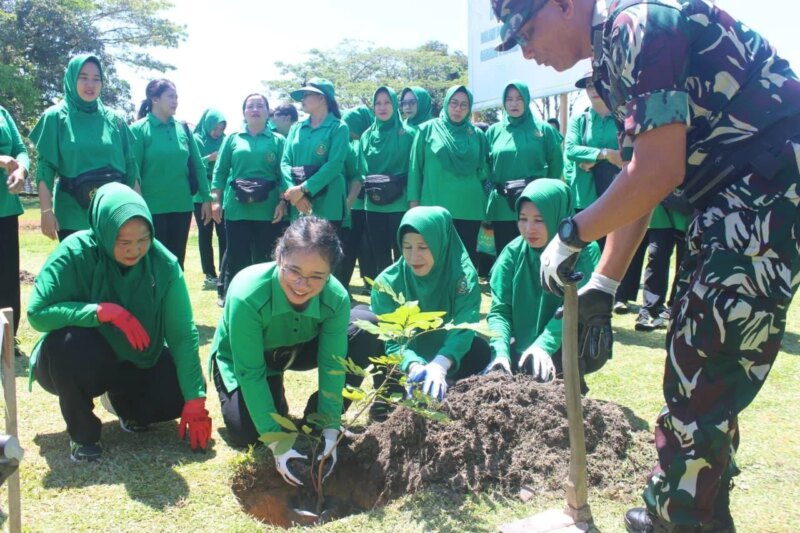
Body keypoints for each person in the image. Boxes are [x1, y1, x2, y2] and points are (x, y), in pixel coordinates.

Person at [492, 0, 800, 530]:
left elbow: (657, 171)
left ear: (565, 6)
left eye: (527, 32)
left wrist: (572, 232)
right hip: (726, 201)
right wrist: (604, 285)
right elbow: (639, 180)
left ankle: (679, 518)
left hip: (763, 191)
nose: (527, 52)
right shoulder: (612, 58)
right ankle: (688, 510)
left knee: (702, 366)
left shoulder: (639, 24)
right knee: (703, 364)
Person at [27, 183, 211, 462]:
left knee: (178, 391)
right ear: (103, 230)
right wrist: (101, 312)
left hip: (133, 358)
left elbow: (183, 336)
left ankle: (125, 406)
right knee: (68, 343)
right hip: (71, 362)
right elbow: (37, 313)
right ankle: (83, 435)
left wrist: (196, 402)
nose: (134, 250)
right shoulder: (74, 253)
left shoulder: (163, 263)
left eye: (143, 240)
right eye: (123, 242)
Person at [208, 216, 379, 485]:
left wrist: (330, 426)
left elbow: (332, 362)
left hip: (297, 348)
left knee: (367, 324)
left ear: (331, 273)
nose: (302, 284)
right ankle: (274, 394)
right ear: (279, 257)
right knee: (247, 433)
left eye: (316, 276)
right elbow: (250, 372)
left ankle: (315, 419)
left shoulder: (336, 296)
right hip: (250, 360)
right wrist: (278, 443)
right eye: (294, 271)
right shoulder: (246, 293)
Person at [483, 180, 600, 393]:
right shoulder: (512, 252)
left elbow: (580, 306)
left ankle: (573, 380)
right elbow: (499, 310)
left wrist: (543, 345)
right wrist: (500, 352)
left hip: (568, 343)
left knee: (555, 391)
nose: (529, 229)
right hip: (521, 344)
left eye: (539, 220)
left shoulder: (584, 251)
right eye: (523, 219)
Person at [371, 206, 490, 402]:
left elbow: (464, 326)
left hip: (448, 358)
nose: (413, 256)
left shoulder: (462, 276)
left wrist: (440, 364)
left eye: (423, 247)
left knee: (479, 350)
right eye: (407, 247)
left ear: (440, 244)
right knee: (372, 331)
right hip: (406, 359)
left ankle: (453, 394)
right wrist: (413, 365)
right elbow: (391, 340)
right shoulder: (387, 284)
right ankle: (385, 401)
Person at [31, 54, 139, 242]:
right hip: (72, 213)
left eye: (96, 79)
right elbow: (45, 168)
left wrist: (138, 208)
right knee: (79, 269)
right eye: (83, 77)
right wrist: (46, 211)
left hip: (113, 212)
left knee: (114, 270)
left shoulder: (115, 119)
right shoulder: (55, 117)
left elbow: (131, 165)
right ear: (72, 79)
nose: (90, 84)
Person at [211, 94, 286, 300]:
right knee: (236, 257)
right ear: (244, 112)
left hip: (268, 210)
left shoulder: (278, 140)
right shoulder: (232, 138)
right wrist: (215, 200)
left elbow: (283, 175)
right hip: (237, 210)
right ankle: (231, 299)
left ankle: (262, 299)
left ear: (267, 111)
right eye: (250, 106)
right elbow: (220, 171)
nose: (255, 109)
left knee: (265, 258)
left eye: (260, 106)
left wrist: (283, 201)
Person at [132, 79, 211, 270]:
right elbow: (133, 171)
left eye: (176, 97)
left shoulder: (183, 128)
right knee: (152, 264)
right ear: (155, 99)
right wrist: (137, 206)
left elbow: (198, 165)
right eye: (170, 96)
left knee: (176, 263)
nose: (175, 101)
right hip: (151, 209)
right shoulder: (138, 129)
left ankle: (173, 300)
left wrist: (207, 198)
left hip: (182, 206)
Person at [408, 85, 490, 269]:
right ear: (446, 103)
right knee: (434, 261)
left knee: (464, 264)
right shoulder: (426, 130)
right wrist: (414, 206)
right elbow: (414, 170)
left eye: (463, 105)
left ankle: (462, 297)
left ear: (469, 108)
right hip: (434, 209)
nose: (458, 109)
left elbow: (484, 172)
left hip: (470, 210)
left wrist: (487, 204)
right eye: (453, 103)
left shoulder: (477, 135)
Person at [486, 80, 563, 255]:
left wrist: (546, 196)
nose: (514, 103)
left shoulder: (544, 130)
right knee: (505, 255)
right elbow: (486, 169)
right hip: (502, 207)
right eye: (509, 99)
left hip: (535, 205)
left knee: (537, 254)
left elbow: (556, 166)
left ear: (527, 100)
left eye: (519, 98)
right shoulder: (493, 131)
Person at [281, 78, 349, 235]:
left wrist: (303, 189)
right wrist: (294, 194)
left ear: (322, 98)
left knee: (327, 253)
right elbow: (285, 163)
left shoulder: (338, 127)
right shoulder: (296, 128)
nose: (302, 99)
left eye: (307, 94)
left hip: (328, 202)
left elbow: (334, 165)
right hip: (299, 203)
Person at [362, 86, 417, 275]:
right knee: (380, 257)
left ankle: (406, 297)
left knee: (403, 255)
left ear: (395, 105)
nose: (382, 107)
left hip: (400, 204)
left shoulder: (409, 134)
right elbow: (362, 170)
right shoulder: (366, 136)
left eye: (387, 103)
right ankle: (384, 299)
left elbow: (414, 170)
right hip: (374, 205)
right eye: (378, 103)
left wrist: (413, 201)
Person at [0, 105, 30, 352]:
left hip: (6, 208)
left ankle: (7, 341)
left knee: (8, 280)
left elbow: (21, 150)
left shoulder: (3, 112)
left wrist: (21, 169)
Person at [634, 203, 689, 331]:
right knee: (656, 258)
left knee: (685, 263)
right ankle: (649, 308)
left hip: (688, 214)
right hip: (660, 213)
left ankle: (675, 307)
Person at [340, 106, 376, 290]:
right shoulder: (345, 144)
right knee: (349, 249)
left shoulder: (373, 142)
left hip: (371, 206)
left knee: (369, 250)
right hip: (352, 205)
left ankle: (371, 284)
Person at [192, 108, 227, 290]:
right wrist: (209, 158)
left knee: (224, 234)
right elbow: (192, 164)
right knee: (205, 234)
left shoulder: (225, 140)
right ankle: (209, 274)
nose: (217, 132)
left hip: (220, 194)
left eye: (221, 129)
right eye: (215, 128)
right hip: (200, 195)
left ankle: (224, 271)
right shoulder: (196, 139)